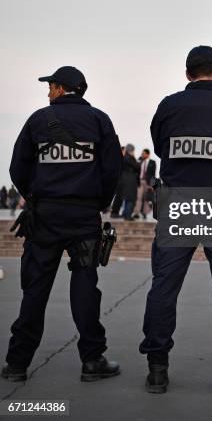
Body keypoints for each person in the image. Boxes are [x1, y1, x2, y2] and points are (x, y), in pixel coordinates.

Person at [139, 45, 212, 398]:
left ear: (188, 73)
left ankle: (157, 370)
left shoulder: (169, 106)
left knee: (165, 284)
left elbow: (160, 146)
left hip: (178, 204)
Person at [2, 66, 123, 382]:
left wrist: (35, 196)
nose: (47, 91)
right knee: (85, 285)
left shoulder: (38, 120)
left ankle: (17, 363)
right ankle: (92, 360)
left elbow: (17, 167)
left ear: (60, 88)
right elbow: (112, 170)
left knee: (35, 289)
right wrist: (97, 202)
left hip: (45, 217)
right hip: (83, 217)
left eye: (50, 85)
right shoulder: (99, 120)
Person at [111, 144, 140, 220]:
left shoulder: (123, 157)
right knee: (130, 198)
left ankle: (120, 213)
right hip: (129, 180)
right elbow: (137, 166)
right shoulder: (128, 157)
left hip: (123, 180)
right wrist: (134, 158)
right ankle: (127, 215)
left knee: (120, 197)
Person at [135, 149, 156, 219]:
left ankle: (144, 213)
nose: (142, 155)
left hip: (148, 183)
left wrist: (152, 185)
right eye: (142, 153)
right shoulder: (139, 161)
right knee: (138, 197)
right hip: (140, 181)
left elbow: (153, 174)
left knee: (146, 198)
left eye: (144, 153)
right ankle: (136, 213)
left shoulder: (152, 162)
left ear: (148, 154)